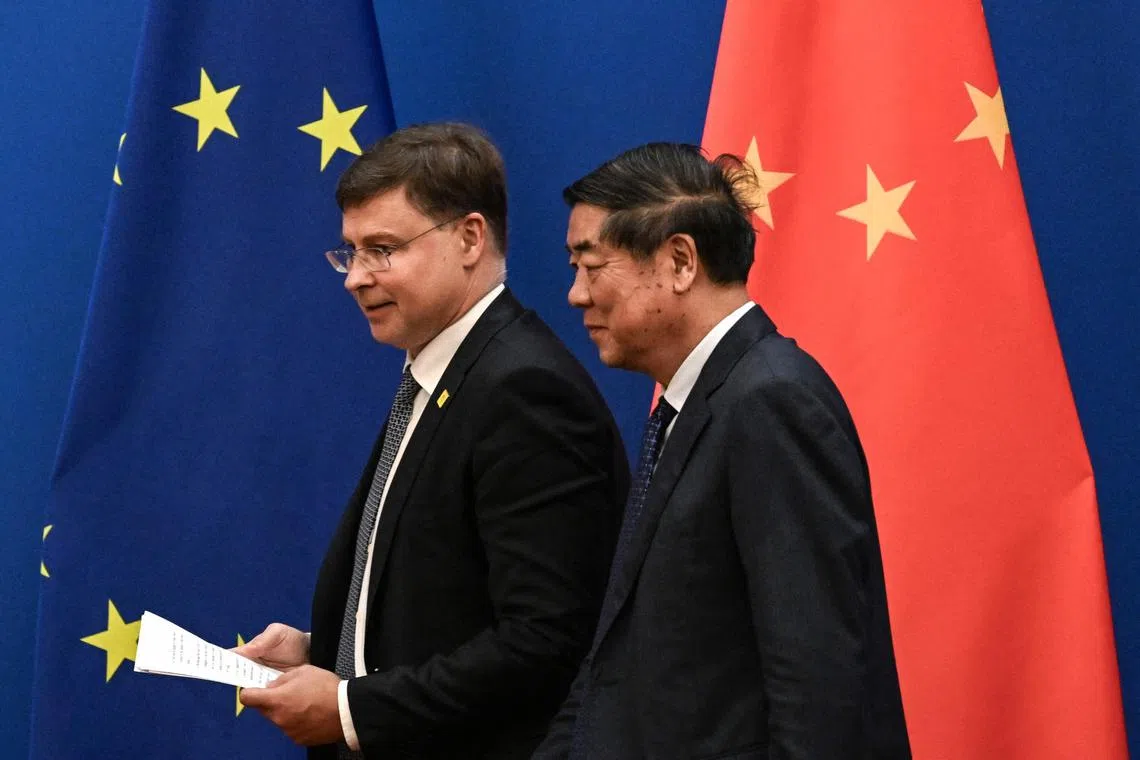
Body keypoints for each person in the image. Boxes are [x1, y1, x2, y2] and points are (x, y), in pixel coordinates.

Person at [237, 122, 629, 759]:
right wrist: (326, 651)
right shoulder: (441, 373)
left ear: (470, 238)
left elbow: (546, 641)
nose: (355, 278)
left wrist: (348, 707)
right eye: (350, 251)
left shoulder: (524, 389)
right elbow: (445, 602)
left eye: (382, 249)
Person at [534, 143, 911, 759]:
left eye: (591, 265)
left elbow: (816, 687)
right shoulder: (701, 402)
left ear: (680, 261)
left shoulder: (771, 402)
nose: (576, 294)